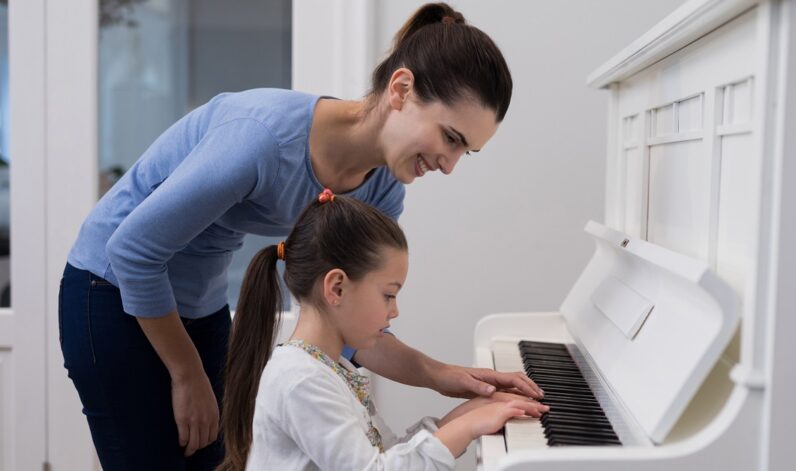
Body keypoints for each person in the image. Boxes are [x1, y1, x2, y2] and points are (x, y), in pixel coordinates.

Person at [58, 2, 540, 470]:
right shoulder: (261, 139)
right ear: (401, 89)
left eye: (466, 151)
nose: (450, 165)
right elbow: (132, 251)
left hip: (196, 303)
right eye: (451, 138)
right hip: (111, 289)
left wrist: (446, 377)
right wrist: (188, 374)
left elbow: (350, 322)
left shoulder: (382, 188)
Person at [218, 191, 548, 470]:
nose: (394, 311)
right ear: (337, 288)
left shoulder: (329, 368)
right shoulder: (301, 380)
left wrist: (465, 414)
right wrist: (468, 427)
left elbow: (385, 456)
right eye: (388, 295)